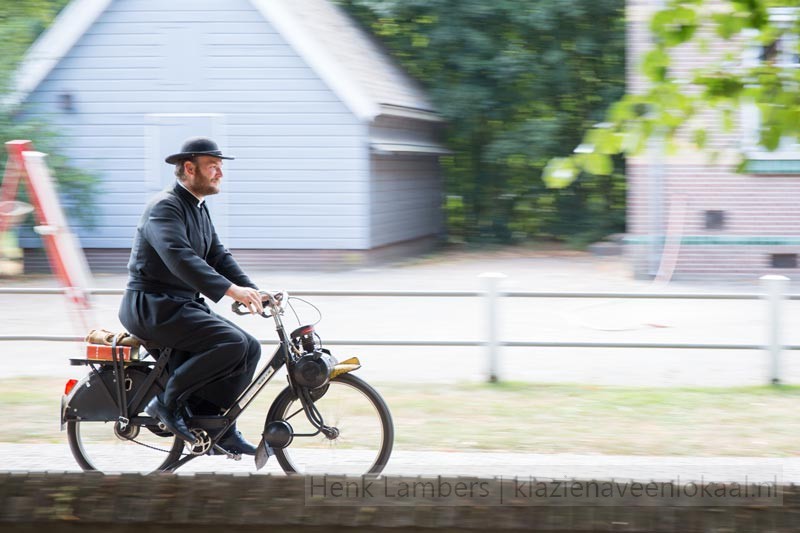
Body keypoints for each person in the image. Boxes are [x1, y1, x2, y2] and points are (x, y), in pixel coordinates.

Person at [118, 137, 264, 455]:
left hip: (178, 304)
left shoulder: (197, 207)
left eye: (220, 167)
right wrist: (231, 291)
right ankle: (166, 404)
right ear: (189, 168)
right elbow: (180, 256)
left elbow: (217, 255)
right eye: (213, 166)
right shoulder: (164, 207)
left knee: (250, 348)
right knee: (232, 342)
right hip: (151, 305)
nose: (219, 173)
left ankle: (216, 424)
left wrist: (253, 291)